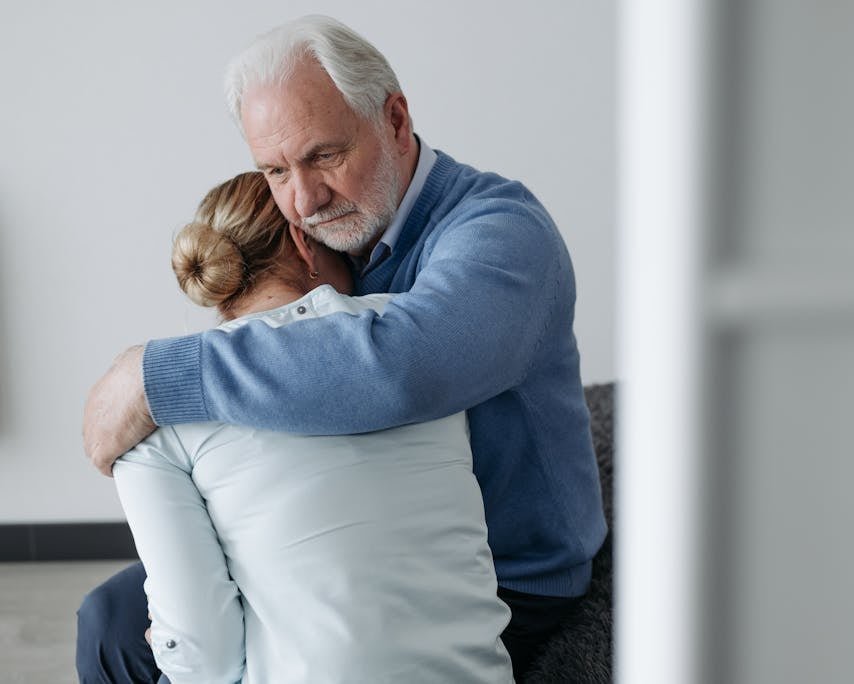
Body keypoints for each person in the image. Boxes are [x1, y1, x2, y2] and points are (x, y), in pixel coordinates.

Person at [79, 15, 606, 682]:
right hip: (361, 541)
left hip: (507, 576)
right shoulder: (333, 234)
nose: (303, 199)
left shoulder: (501, 234)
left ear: (394, 118)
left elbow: (402, 367)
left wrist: (157, 376)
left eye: (325, 155)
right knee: (113, 621)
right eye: (275, 170)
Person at [112, 171, 513, 683]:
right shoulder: (419, 340)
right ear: (305, 244)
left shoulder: (155, 420)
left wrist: (170, 644)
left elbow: (205, 660)